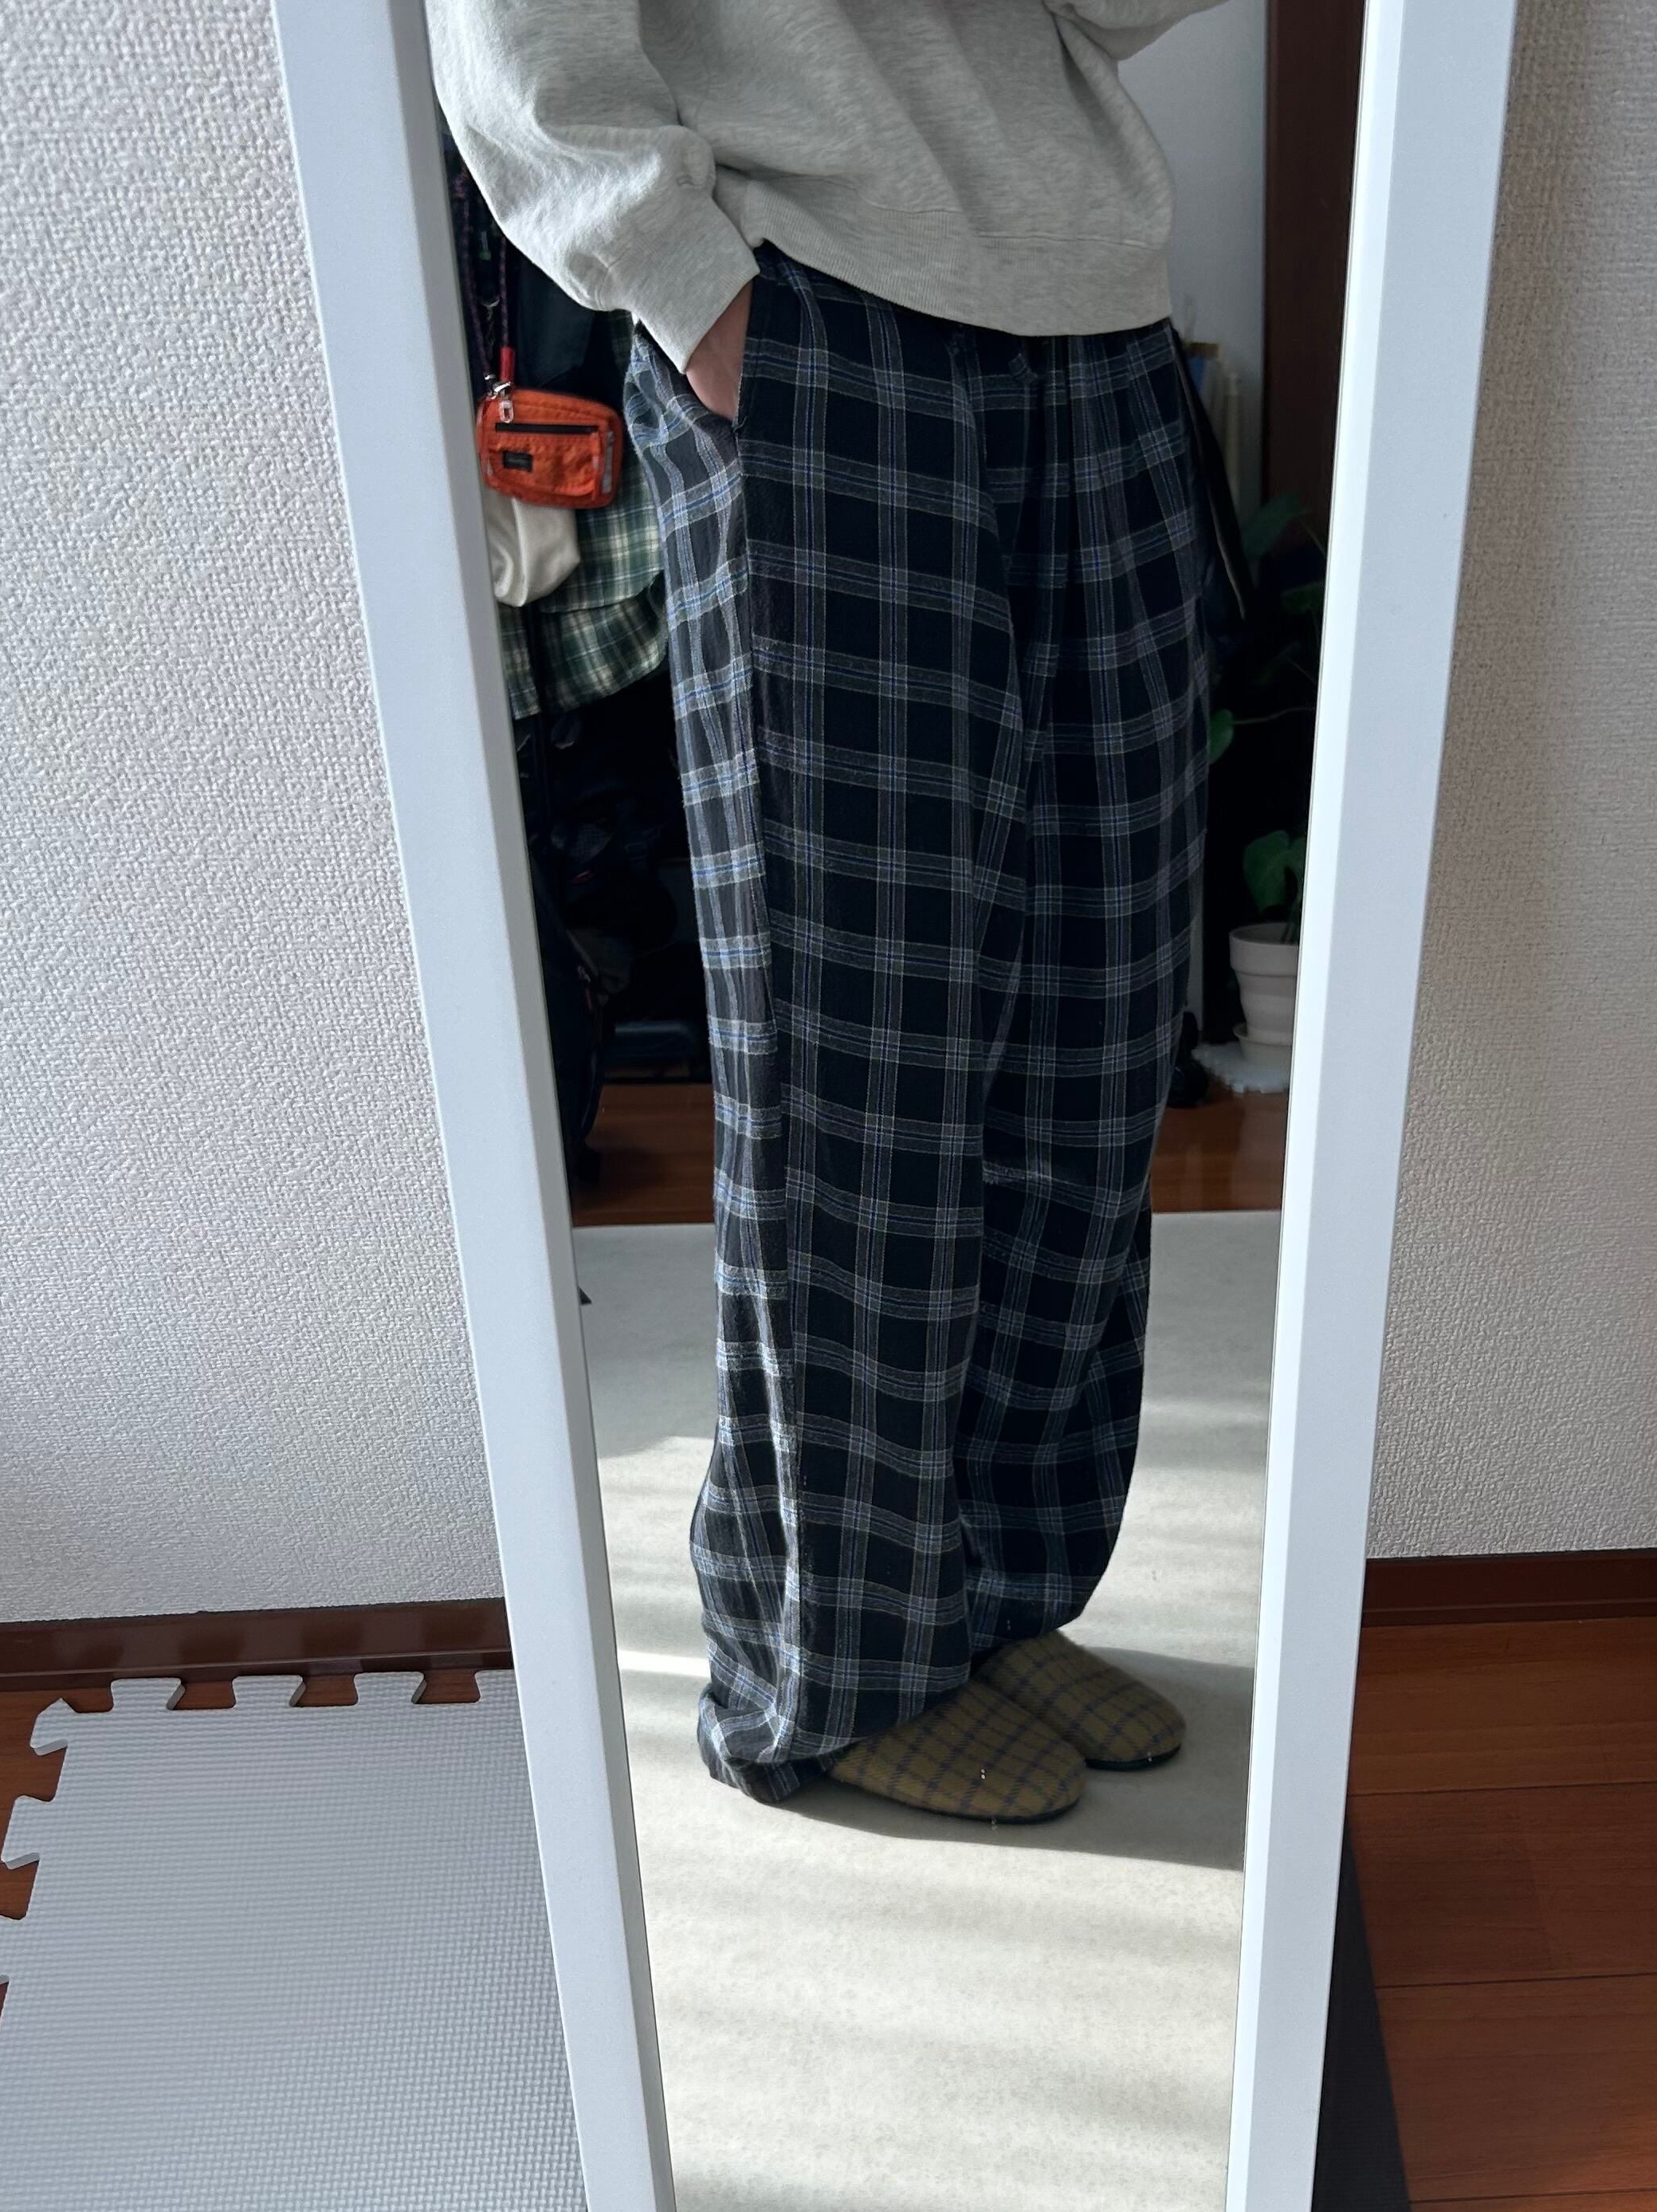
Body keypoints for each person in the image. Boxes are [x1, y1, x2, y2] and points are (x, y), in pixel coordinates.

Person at [433, 0, 1225, 1821]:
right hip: (806, 312)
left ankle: (997, 1596)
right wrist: (684, 282)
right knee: (853, 1053)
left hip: (1096, 308)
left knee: (1097, 1028)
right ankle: (834, 1666)